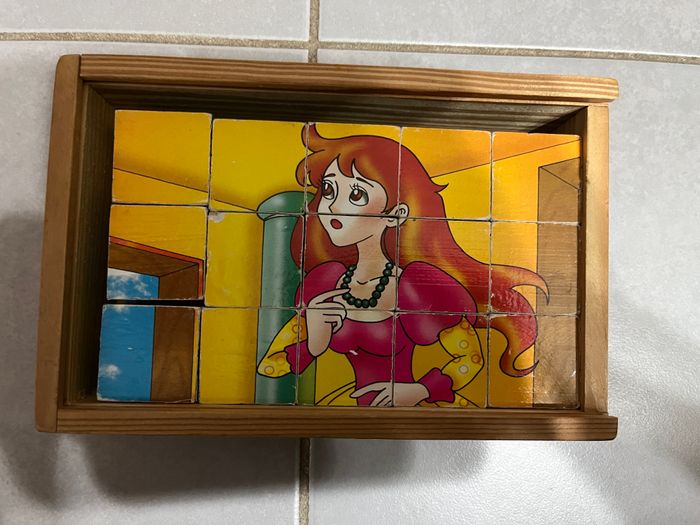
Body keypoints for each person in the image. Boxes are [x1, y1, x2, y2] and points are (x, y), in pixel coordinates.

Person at [258, 124, 546, 407]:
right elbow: (269, 366)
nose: (332, 206)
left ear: (395, 214)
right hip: (348, 410)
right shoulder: (325, 283)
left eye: (356, 195)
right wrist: (312, 346)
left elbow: (470, 359)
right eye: (329, 190)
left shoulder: (417, 286)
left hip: (412, 411)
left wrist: (420, 390)